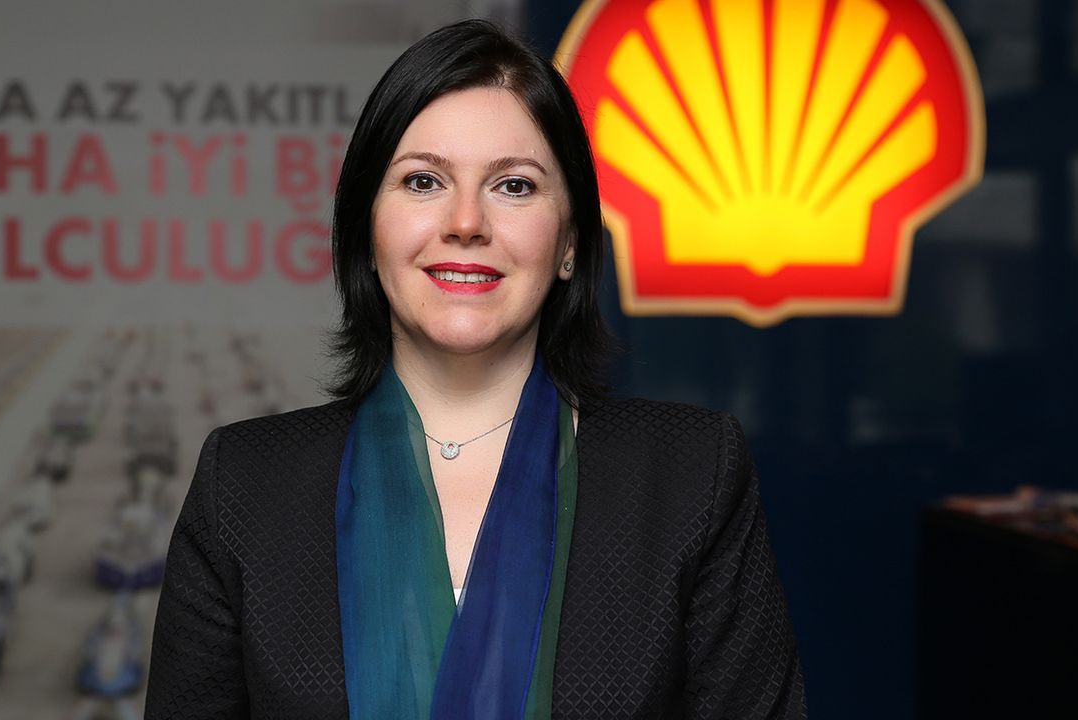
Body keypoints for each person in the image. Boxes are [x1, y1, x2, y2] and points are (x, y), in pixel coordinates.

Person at [145, 19, 806, 720]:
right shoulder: (243, 484)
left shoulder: (690, 474)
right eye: (423, 181)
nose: (466, 222)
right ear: (367, 230)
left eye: (514, 186)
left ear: (569, 243)